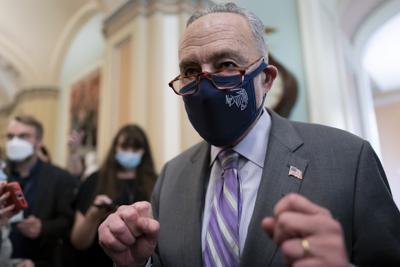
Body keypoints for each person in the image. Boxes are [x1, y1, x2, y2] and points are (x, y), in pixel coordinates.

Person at [98, 3, 400, 267]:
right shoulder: (171, 177)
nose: (204, 84)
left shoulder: (349, 161)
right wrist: (138, 265)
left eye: (226, 64)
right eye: (190, 69)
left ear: (266, 80)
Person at [71, 124, 157, 267]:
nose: (129, 152)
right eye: (124, 147)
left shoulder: (157, 183)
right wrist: (93, 215)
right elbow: (78, 241)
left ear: (144, 152)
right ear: (115, 148)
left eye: (135, 149)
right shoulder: (94, 181)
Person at [5, 115, 78, 267]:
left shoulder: (60, 179)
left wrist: (43, 227)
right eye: (10, 136)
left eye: (23, 136)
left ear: (39, 141)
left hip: (42, 259)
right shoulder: (2, 175)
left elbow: (69, 221)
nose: (15, 142)